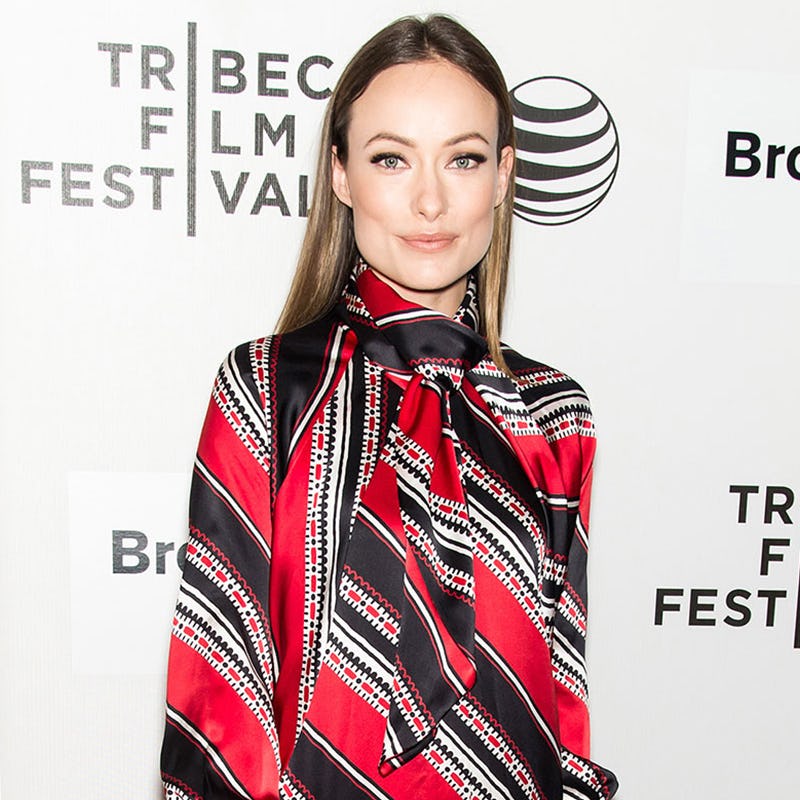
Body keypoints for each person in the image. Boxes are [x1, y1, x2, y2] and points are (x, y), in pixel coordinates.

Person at [160, 14, 617, 800]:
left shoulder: (552, 412)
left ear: (503, 175)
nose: (430, 201)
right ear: (341, 174)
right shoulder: (267, 388)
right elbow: (220, 682)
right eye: (391, 158)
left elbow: (561, 689)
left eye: (463, 159)